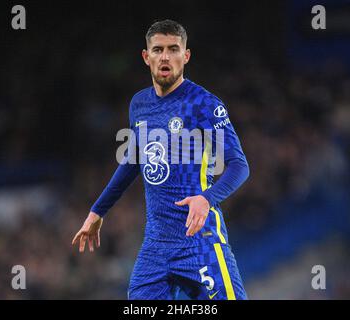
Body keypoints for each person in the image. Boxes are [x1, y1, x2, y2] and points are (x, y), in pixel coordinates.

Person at [72, 19, 250, 300]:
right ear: (146, 57)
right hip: (155, 247)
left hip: (199, 241)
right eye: (157, 50)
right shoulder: (139, 104)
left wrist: (206, 198)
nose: (165, 56)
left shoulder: (205, 104)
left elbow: (239, 166)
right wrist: (97, 211)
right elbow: (132, 161)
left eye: (173, 49)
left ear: (186, 55)